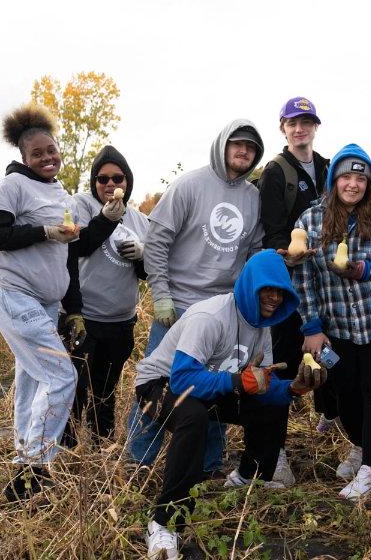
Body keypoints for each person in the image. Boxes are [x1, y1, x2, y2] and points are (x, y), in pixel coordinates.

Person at [135, 250, 326, 558]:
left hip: (207, 386)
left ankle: (248, 476)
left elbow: (261, 386)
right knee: (193, 417)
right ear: (250, 285)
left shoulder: (263, 326)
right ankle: (164, 523)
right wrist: (239, 382)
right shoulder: (210, 316)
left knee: (271, 405)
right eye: (267, 289)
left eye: (281, 291)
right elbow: (183, 379)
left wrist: (294, 388)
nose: (275, 298)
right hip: (158, 385)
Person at [0, 104, 121, 501]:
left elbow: (74, 251)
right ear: (24, 157)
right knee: (61, 376)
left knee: (34, 379)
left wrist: (108, 220)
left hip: (44, 303)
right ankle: (35, 470)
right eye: (38, 153)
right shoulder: (14, 187)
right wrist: (43, 231)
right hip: (13, 293)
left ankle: (23, 466)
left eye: (51, 150)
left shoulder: (60, 193)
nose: (47, 158)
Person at [127, 119, 266, 476]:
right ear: (222, 145)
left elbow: (253, 252)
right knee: (159, 385)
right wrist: (161, 295)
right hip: (178, 307)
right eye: (237, 144)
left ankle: (208, 465)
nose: (243, 151)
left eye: (250, 147)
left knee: (219, 386)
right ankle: (137, 462)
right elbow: (156, 243)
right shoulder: (189, 185)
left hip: (223, 311)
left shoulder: (253, 198)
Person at [294, 144, 371, 500]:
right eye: (345, 176)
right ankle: (362, 446)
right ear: (334, 181)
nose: (353, 184)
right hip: (338, 323)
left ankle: (370, 469)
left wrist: (366, 270)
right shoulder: (311, 221)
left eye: (360, 178)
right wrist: (312, 326)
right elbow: (305, 279)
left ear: (369, 183)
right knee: (344, 389)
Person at [258, 96, 336, 485]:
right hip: (290, 284)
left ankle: (335, 420)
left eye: (306, 121)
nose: (300, 128)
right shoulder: (276, 172)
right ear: (283, 128)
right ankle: (277, 454)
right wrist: (288, 252)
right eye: (293, 122)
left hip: (330, 282)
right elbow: (270, 230)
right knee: (285, 362)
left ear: (315, 126)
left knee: (327, 357)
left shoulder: (327, 167)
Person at [62, 145, 149, 444]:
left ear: (128, 182)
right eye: (103, 179)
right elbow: (77, 247)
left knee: (106, 391)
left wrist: (142, 256)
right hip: (85, 318)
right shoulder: (81, 205)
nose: (111, 184)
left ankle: (102, 446)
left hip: (121, 321)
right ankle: (68, 452)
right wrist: (106, 220)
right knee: (75, 390)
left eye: (118, 178)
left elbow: (146, 274)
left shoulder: (139, 220)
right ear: (94, 182)